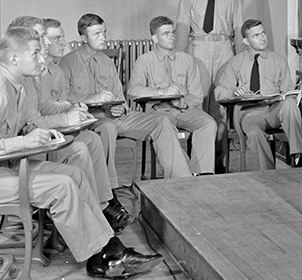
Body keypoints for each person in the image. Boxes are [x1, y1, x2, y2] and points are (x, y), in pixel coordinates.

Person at [0, 27, 161, 278]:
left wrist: (39, 135)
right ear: (13, 58)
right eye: (35, 53)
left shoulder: (17, 85)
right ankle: (103, 257)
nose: (42, 58)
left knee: (74, 174)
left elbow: (22, 127)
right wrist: (23, 143)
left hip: (6, 166)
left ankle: (108, 251)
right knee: (62, 186)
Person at [5, 16, 131, 232]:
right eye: (41, 38)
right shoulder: (15, 80)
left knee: (90, 139)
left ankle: (101, 206)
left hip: (40, 140)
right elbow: (29, 124)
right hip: (24, 152)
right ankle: (92, 215)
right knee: (80, 147)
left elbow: (44, 106)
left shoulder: (42, 73)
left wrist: (72, 109)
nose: (46, 43)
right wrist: (67, 115)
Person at [59, 13, 194, 180]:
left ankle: (182, 179)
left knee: (161, 121)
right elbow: (63, 100)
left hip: (118, 117)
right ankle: (109, 190)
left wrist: (120, 107)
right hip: (92, 120)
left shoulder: (107, 61)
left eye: (104, 32)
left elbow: (120, 98)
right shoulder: (66, 63)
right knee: (107, 127)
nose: (103, 38)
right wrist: (90, 99)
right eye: (97, 34)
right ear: (83, 38)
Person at [176, 0, 244, 172]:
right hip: (199, 51)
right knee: (197, 105)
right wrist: (180, 64)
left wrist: (241, 63)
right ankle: (195, 165)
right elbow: (183, 32)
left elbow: (239, 29)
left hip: (225, 49)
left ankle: (218, 165)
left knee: (221, 108)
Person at [38, 17, 123, 190]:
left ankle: (104, 199)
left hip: (75, 123)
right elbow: (43, 110)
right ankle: (100, 196)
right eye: (57, 38)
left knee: (94, 137)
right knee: (89, 141)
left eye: (62, 37)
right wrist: (80, 105)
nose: (63, 42)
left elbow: (61, 103)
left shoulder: (55, 71)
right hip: (49, 132)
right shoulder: (62, 64)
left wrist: (118, 107)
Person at [128, 16, 219, 176]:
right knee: (164, 125)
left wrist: (182, 104)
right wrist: (160, 92)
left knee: (208, 123)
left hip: (184, 110)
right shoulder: (144, 61)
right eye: (166, 33)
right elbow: (133, 90)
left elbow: (197, 94)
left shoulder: (187, 60)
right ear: (154, 38)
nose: (172, 37)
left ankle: (203, 174)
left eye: (173, 32)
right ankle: (183, 175)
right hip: (159, 112)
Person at [215, 20, 302, 170]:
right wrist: (233, 92)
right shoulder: (236, 62)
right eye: (256, 35)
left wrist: (285, 97)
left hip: (274, 111)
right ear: (245, 40)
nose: (262, 38)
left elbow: (289, 92)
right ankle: (269, 172)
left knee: (289, 104)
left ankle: (299, 156)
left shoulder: (279, 61)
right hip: (249, 113)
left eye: (263, 33)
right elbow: (219, 93)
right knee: (254, 133)